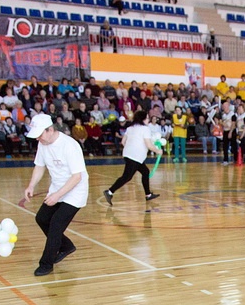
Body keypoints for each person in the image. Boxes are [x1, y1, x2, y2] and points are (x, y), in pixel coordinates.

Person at [22, 114, 89, 277]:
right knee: (42, 218)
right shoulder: (43, 144)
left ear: (50, 130)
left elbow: (77, 177)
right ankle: (66, 246)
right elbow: (39, 166)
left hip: (75, 191)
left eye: (40, 135)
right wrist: (31, 185)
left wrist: (57, 195)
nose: (38, 139)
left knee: (56, 225)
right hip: (57, 189)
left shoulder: (70, 145)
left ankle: (46, 263)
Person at [103, 110, 162, 207]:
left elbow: (123, 142)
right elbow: (149, 145)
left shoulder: (130, 128)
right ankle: (109, 192)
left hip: (129, 155)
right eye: (147, 118)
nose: (148, 120)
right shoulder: (145, 129)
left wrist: (131, 148)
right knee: (127, 177)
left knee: (145, 172)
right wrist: (158, 151)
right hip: (135, 157)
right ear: (142, 119)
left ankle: (148, 194)